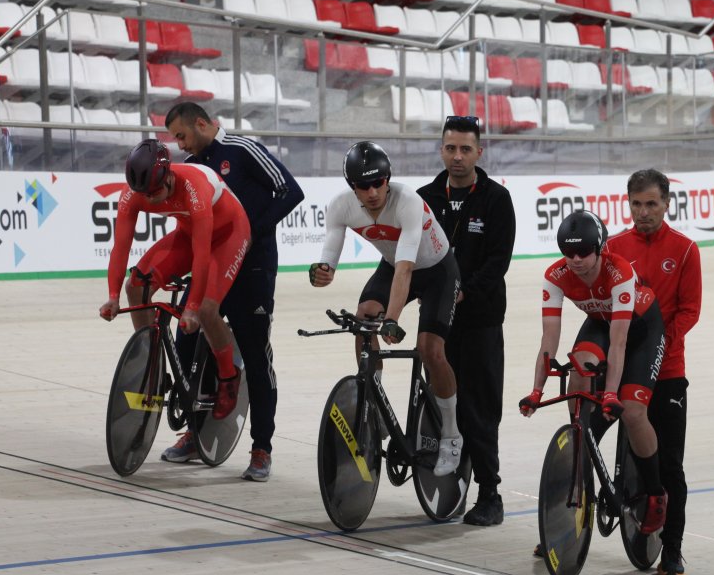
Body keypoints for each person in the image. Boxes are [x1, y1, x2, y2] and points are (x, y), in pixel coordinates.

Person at [158, 102, 305, 482]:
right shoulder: (194, 165)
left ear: (202, 124)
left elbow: (291, 192)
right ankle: (196, 431)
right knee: (188, 338)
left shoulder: (241, 149)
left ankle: (262, 448)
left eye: (181, 135)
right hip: (213, 264)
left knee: (256, 355)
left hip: (253, 265)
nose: (179, 144)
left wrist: (251, 231)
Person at [309, 141, 464, 477]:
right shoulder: (341, 206)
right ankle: (372, 402)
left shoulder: (407, 201)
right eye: (363, 186)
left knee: (430, 349)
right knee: (364, 316)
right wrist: (323, 270)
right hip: (393, 264)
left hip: (436, 271)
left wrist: (392, 320)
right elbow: (329, 256)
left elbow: (406, 271)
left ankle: (452, 432)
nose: (372, 192)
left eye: (378, 183)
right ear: (352, 187)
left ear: (388, 179)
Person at [519, 210, 668, 535]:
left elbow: (619, 343)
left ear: (600, 248)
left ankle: (656, 493)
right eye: (568, 253)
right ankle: (579, 460)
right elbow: (549, 339)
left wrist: (611, 394)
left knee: (632, 410)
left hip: (640, 329)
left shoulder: (619, 272)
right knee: (578, 371)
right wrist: (536, 391)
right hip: (600, 323)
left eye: (583, 253)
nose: (575, 260)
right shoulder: (555, 275)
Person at [99, 139, 250, 421]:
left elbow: (202, 255)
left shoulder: (195, 186)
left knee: (206, 310)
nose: (152, 198)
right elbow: (120, 248)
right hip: (187, 233)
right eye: (145, 193)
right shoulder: (133, 195)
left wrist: (192, 307)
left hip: (228, 234)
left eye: (156, 191)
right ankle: (152, 366)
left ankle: (229, 375)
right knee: (136, 285)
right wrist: (112, 296)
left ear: (168, 175)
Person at [603, 169, 702, 575]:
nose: (643, 212)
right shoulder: (613, 247)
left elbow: (689, 311)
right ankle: (564, 528)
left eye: (652, 204)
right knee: (583, 427)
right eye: (637, 204)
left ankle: (673, 551)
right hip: (621, 365)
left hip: (668, 371)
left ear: (666, 204)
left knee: (670, 465)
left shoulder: (684, 249)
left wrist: (658, 350)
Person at [418, 115, 515, 526]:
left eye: (465, 149)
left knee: (479, 410)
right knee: (444, 405)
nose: (457, 157)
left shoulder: (495, 199)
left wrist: (463, 291)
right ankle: (446, 480)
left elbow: (498, 262)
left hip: (479, 322)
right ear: (441, 150)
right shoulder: (424, 197)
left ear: (479, 151)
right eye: (450, 148)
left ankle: (490, 495)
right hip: (439, 322)